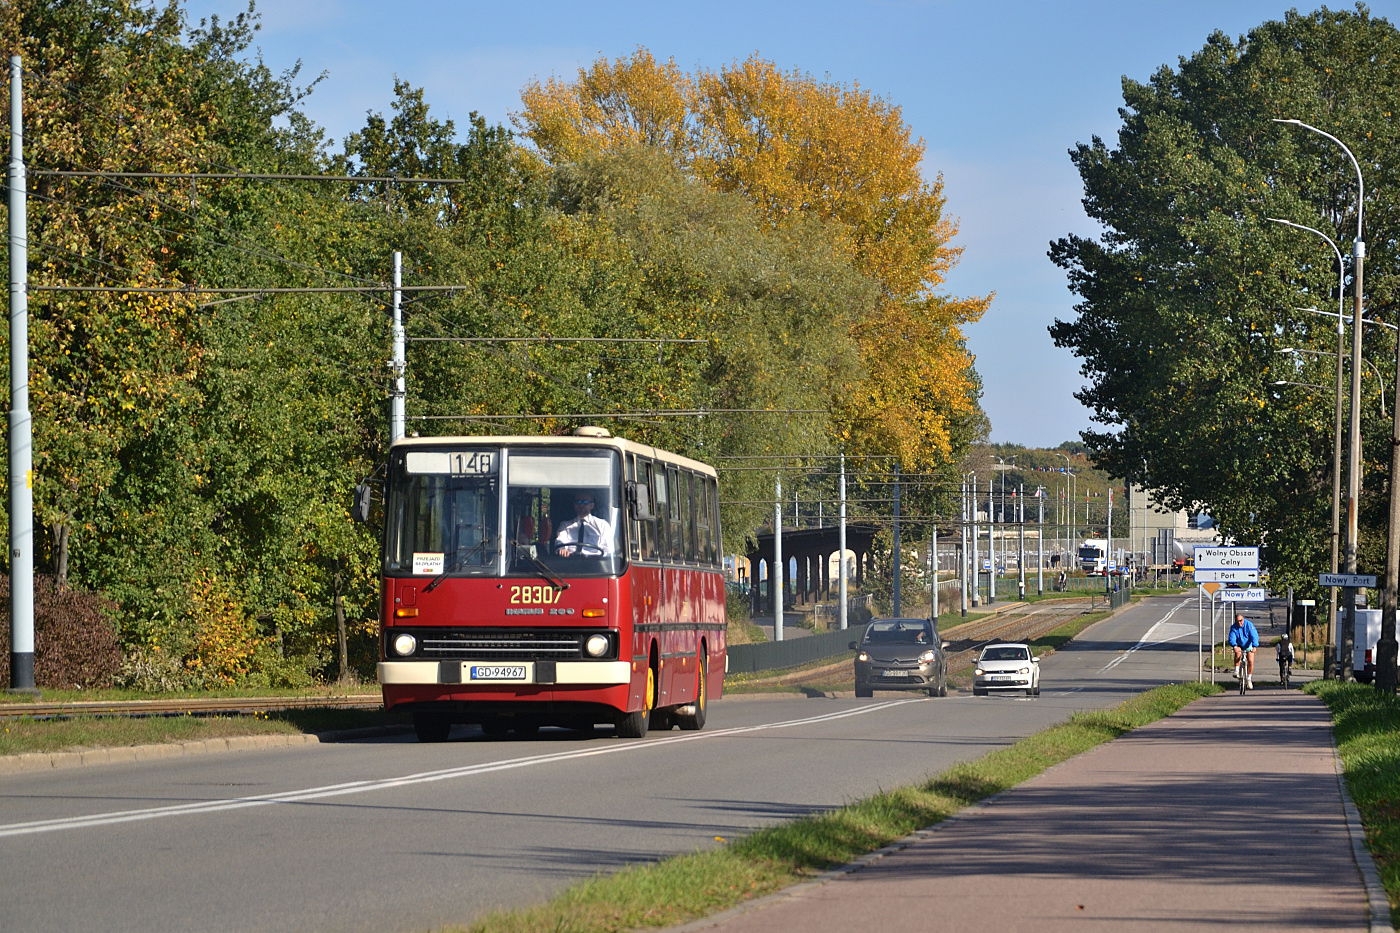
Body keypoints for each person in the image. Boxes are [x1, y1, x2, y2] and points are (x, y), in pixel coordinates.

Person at [553, 492, 614, 557]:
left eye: (585, 502)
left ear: (592, 505)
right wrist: (562, 550)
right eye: (578, 502)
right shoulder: (565, 526)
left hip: (595, 563)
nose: (581, 505)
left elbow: (609, 551)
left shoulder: (603, 525)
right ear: (574, 505)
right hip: (570, 562)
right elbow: (560, 542)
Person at [1228, 612, 1260, 689]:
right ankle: (1236, 670)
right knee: (1237, 653)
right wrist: (1234, 645)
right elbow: (1232, 637)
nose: (1239, 623)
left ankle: (1249, 678)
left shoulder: (1249, 625)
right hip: (1239, 644)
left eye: (1241, 620)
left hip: (1248, 644)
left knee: (1250, 661)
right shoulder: (1233, 627)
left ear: (1243, 619)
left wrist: (1255, 646)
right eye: (1237, 621)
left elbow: (1254, 635)